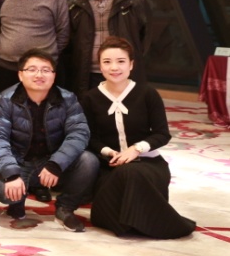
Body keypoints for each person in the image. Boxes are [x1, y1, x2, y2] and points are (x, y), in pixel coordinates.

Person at [81, 36, 196, 238]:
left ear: (131, 64)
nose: (114, 67)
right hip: (111, 167)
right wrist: (109, 152)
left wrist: (136, 149)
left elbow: (162, 134)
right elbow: (89, 137)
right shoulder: (90, 98)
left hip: (149, 164)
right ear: (100, 66)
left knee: (132, 172)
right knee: (103, 212)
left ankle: (160, 224)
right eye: (107, 62)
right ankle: (140, 220)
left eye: (121, 61)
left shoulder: (148, 94)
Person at [0, 49, 97, 232]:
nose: (39, 75)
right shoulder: (5, 99)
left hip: (51, 162)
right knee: (7, 194)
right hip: (19, 161)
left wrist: (56, 163)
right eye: (32, 69)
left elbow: (79, 133)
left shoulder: (68, 99)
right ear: (20, 75)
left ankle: (65, 208)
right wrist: (11, 174)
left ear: (54, 75)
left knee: (88, 161)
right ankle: (16, 202)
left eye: (46, 70)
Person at [67, 0, 148, 94]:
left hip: (123, 73)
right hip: (88, 74)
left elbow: (145, 38)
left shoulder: (133, 1)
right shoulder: (73, 6)